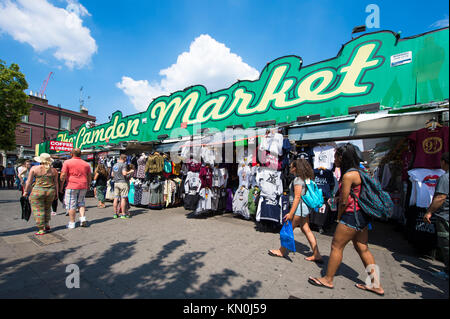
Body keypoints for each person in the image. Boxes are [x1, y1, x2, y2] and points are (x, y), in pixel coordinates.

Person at [308, 143, 385, 296]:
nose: (334, 159)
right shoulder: (359, 171)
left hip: (351, 216)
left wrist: (338, 217)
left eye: (336, 156)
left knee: (336, 246)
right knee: (363, 248)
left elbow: (344, 201)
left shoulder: (348, 175)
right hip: (362, 216)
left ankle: (328, 279)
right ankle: (376, 285)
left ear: (342, 158)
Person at [268, 159, 323, 263]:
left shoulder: (298, 180)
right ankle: (317, 254)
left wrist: (291, 213)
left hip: (299, 209)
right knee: (306, 229)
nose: (289, 168)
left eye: (291, 166)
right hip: (305, 208)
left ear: (296, 168)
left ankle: (281, 251)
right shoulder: (306, 178)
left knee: (288, 229)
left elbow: (297, 197)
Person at [424, 152, 449, 280]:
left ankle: (447, 271)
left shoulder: (445, 178)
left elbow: (440, 198)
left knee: (446, 244)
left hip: (445, 216)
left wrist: (429, 211)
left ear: (444, 162)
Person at [23, 153, 59, 235]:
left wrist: (25, 191)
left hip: (37, 191)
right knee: (47, 208)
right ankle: (47, 225)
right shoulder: (54, 170)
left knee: (38, 209)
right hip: (50, 191)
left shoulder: (34, 169)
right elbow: (56, 183)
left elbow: (28, 182)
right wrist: (56, 193)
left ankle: (41, 228)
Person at [60, 149, 92, 228]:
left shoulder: (67, 162)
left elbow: (63, 175)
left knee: (71, 204)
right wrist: (88, 185)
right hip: (83, 184)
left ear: (71, 154)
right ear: (80, 154)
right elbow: (89, 176)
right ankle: (82, 218)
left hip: (72, 185)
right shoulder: (86, 164)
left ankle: (72, 223)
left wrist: (61, 185)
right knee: (81, 202)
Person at [112, 154, 134, 219]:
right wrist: (130, 171)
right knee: (123, 198)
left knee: (116, 198)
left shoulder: (115, 165)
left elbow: (112, 174)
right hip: (122, 182)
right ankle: (123, 214)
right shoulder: (123, 165)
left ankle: (115, 214)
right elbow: (124, 173)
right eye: (126, 159)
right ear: (124, 158)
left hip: (116, 182)